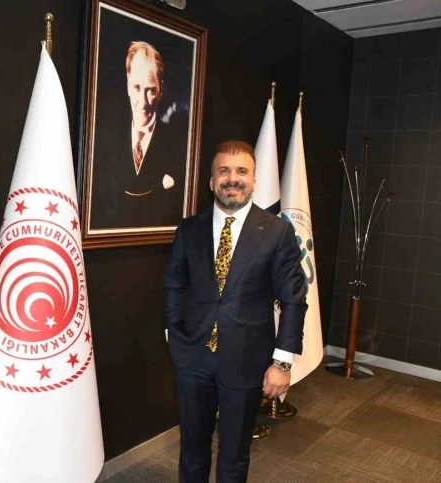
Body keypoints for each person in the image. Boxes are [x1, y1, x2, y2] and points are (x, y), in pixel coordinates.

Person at [163, 140, 308, 483]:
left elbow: (293, 300)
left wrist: (282, 363)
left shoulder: (277, 232)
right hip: (193, 358)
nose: (232, 178)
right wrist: (173, 333)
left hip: (247, 360)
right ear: (211, 181)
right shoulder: (189, 229)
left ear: (254, 180)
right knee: (192, 451)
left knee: (234, 456)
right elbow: (172, 284)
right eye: (224, 171)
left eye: (242, 171)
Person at [90, 40, 188, 230]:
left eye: (150, 90)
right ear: (128, 86)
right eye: (136, 87)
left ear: (161, 90)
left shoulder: (179, 145)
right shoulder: (104, 138)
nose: (142, 102)